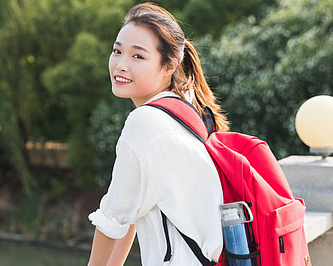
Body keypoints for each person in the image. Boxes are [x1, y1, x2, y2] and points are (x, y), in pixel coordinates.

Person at [87, 3, 230, 266]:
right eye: (117, 51)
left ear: (169, 66)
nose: (121, 65)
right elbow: (128, 212)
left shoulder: (145, 121)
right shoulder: (185, 113)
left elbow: (110, 221)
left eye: (137, 57)